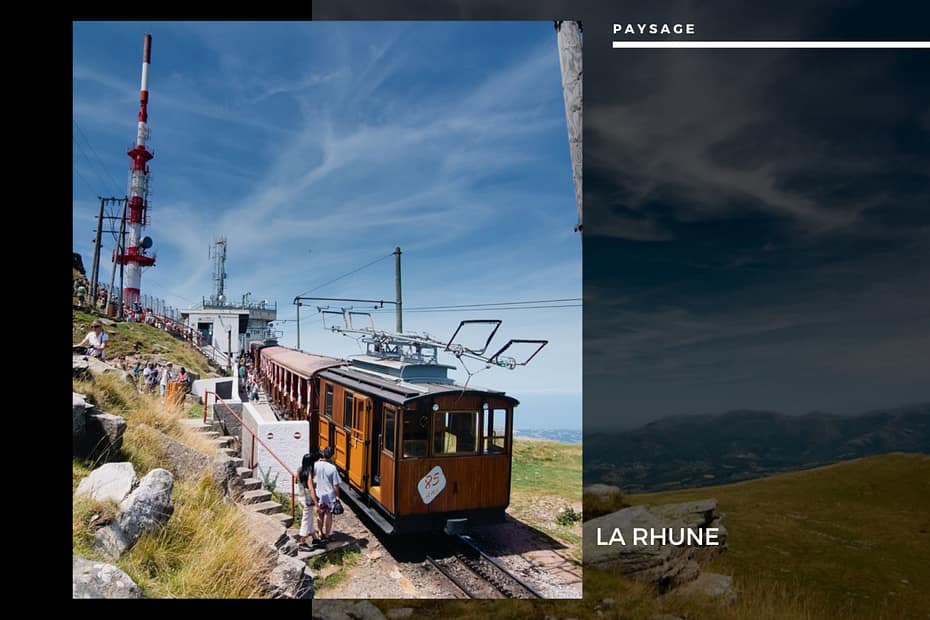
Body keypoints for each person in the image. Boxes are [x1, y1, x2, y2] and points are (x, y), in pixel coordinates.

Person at [313, 446, 341, 542]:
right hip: (329, 496)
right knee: (329, 515)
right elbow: (336, 485)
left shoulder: (316, 465)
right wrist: (337, 497)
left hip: (318, 495)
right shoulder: (332, 468)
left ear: (323, 454)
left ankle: (320, 533)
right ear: (332, 456)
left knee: (320, 515)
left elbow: (313, 479)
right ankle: (328, 535)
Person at [296, 450, 322, 547]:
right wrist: (316, 503)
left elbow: (297, 481)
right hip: (307, 500)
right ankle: (302, 542)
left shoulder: (299, 470)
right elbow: (311, 489)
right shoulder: (309, 474)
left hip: (301, 497)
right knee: (306, 520)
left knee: (310, 518)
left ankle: (315, 538)